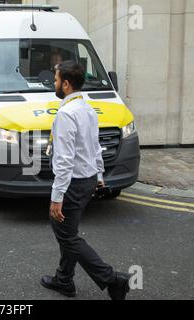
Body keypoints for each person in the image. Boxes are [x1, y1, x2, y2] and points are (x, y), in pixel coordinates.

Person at [41, 61, 131, 300]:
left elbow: (64, 160)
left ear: (67, 84)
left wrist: (57, 197)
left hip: (73, 183)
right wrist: (99, 175)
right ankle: (64, 280)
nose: (55, 83)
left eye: (57, 79)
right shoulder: (88, 109)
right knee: (68, 231)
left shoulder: (66, 114)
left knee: (66, 235)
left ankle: (112, 279)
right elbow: (94, 147)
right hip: (88, 179)